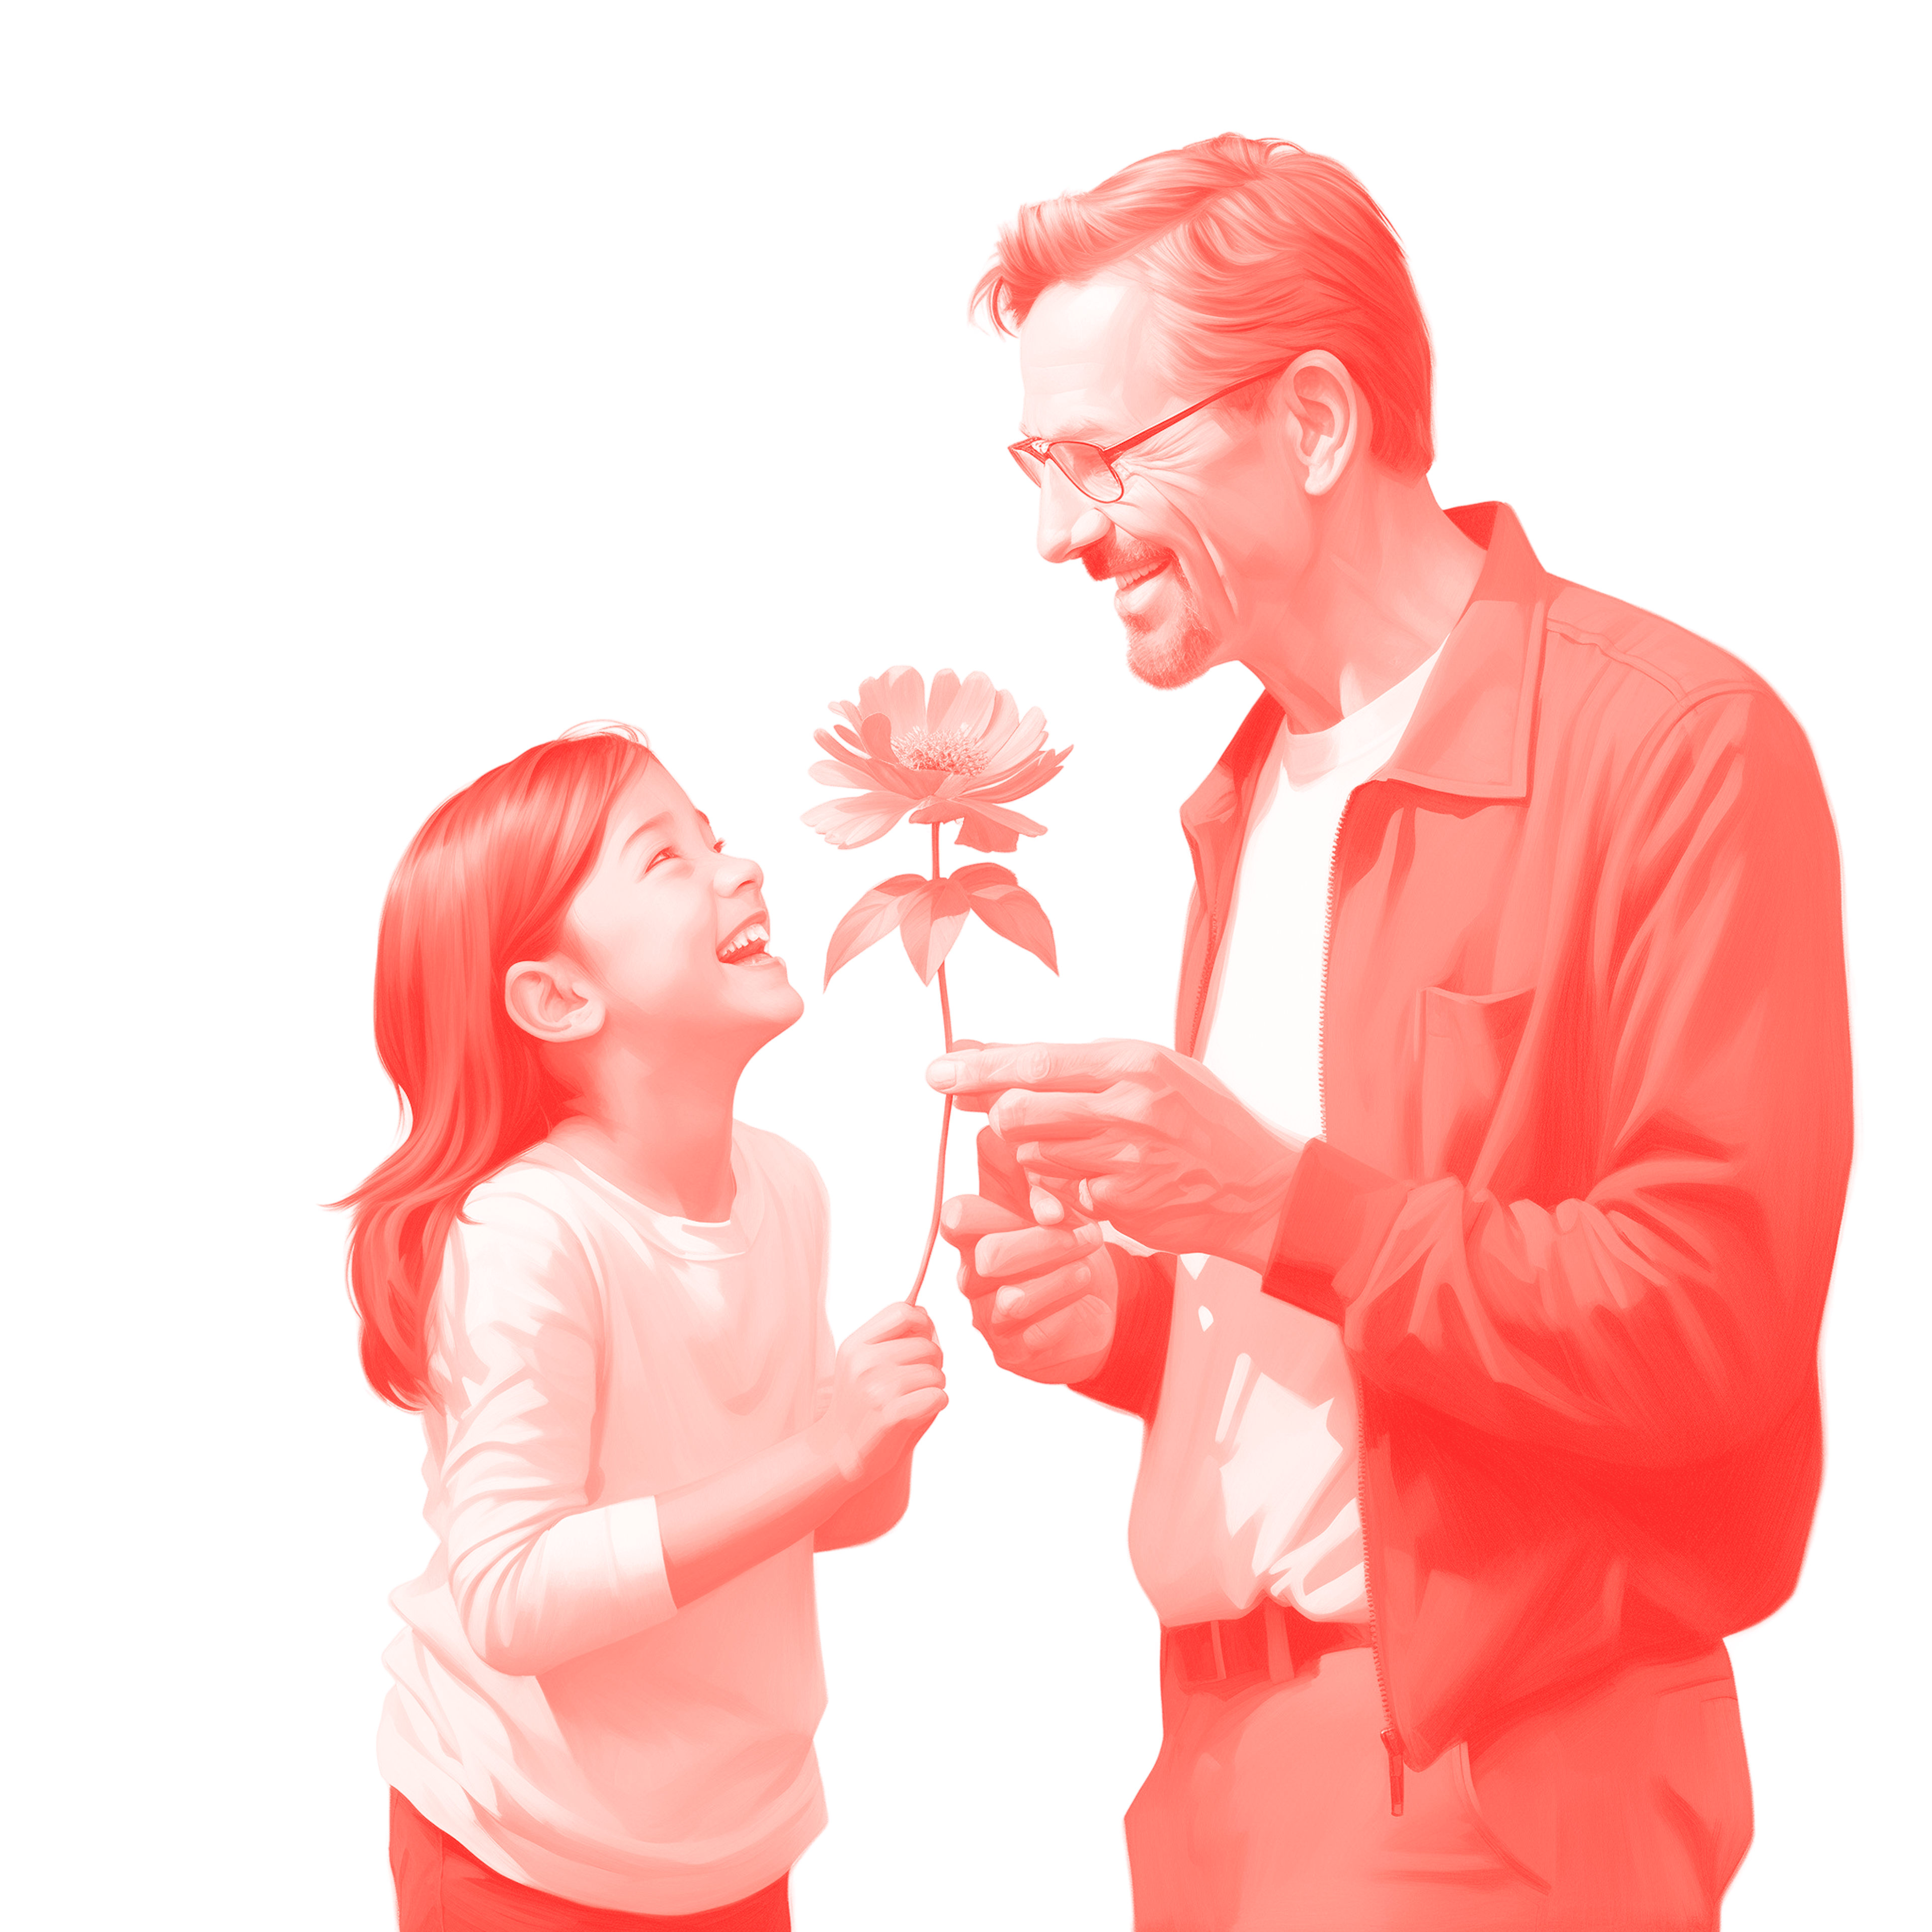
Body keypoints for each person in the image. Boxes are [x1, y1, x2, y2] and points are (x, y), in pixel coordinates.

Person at [933, 134, 1860, 1930]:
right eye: (1040, 463)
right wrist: (1140, 1327)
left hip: (1482, 1785)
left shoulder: (1677, 750)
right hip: (1204, 1775)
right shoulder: (1250, 790)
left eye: (1103, 455)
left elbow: (1706, 1324)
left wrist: (1278, 1207)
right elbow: (1387, 1365)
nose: (1057, 530)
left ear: (1312, 421)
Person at [320, 718, 948, 1930]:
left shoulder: (788, 1186)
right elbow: (507, 1596)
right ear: (555, 997)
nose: (741, 867)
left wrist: (878, 1442)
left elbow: (836, 1522)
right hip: (518, 1854)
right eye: (667, 859)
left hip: (737, 1844)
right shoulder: (530, 1235)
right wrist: (824, 1454)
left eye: (716, 837)